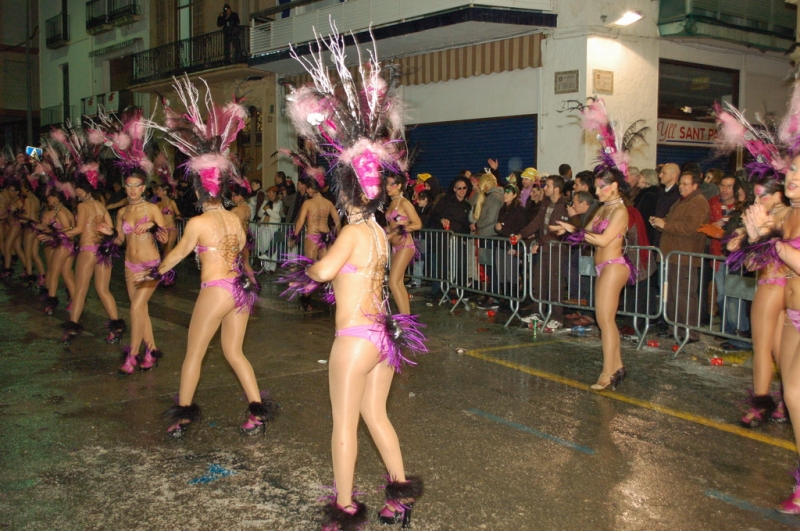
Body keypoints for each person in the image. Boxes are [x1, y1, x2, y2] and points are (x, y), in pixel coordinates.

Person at [280, 28, 424, 529]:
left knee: (345, 422)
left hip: (356, 338)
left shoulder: (354, 232)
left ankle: (344, 506)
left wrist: (309, 259)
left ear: (344, 193)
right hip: (384, 337)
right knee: (376, 416)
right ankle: (399, 493)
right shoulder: (382, 232)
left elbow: (319, 272)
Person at [141, 75, 276, 438]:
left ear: (200, 188)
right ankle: (256, 412)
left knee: (194, 354)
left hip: (216, 290)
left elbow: (178, 255)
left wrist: (153, 272)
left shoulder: (200, 222)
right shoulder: (234, 218)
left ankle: (182, 415)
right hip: (240, 291)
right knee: (235, 353)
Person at [552, 169, 633, 389]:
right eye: (596, 187)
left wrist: (574, 230)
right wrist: (568, 228)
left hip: (614, 267)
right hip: (602, 267)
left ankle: (608, 373)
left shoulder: (620, 211)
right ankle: (617, 367)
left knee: (604, 321)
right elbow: (585, 231)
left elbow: (604, 240)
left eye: (601, 187)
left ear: (614, 186)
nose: (597, 192)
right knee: (607, 320)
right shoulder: (604, 208)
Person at [726, 176, 788, 427]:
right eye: (757, 195)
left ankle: (761, 403)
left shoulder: (778, 218)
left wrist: (749, 236)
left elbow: (756, 262)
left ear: (778, 195)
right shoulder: (781, 216)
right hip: (781, 288)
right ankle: (786, 400)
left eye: (764, 194)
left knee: (763, 347)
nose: (759, 200)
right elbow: (749, 260)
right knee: (780, 350)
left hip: (773, 286)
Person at [650, 171, 710, 344]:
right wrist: (659, 222)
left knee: (684, 294)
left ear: (695, 185)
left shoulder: (698, 203)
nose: (681, 187)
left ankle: (689, 332)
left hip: (684, 256)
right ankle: (674, 327)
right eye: (681, 184)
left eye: (685, 184)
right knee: (672, 294)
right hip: (672, 255)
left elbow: (690, 228)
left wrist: (666, 225)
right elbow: (672, 221)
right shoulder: (682, 201)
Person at [515, 175, 571, 329]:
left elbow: (558, 232)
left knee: (554, 284)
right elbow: (537, 223)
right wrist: (521, 234)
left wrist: (538, 242)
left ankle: (557, 317)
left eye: (548, 186)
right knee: (539, 281)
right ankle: (538, 312)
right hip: (545, 249)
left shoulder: (564, 206)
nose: (545, 188)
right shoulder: (546, 204)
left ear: (557, 189)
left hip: (557, 250)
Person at [385, 173, 422, 315]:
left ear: (399, 186)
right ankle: (406, 319)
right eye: (387, 184)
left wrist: (398, 231)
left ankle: (405, 320)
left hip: (405, 246)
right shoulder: (392, 203)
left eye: (391, 184)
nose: (388, 187)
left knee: (393, 282)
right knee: (398, 283)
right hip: (396, 247)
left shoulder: (404, 203)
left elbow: (417, 224)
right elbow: (392, 225)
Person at [37, 187, 76, 316]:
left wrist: (52, 235)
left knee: (53, 273)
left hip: (64, 245)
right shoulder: (62, 211)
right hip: (68, 246)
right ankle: (76, 302)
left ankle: (51, 303)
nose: (48, 199)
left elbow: (67, 230)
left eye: (50, 196)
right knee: (67, 274)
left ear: (57, 197)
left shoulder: (61, 212)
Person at [651, 163, 681, 248]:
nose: (660, 175)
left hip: (670, 237)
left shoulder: (678, 194)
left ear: (674, 175)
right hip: (659, 235)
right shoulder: (661, 192)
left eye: (664, 173)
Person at [257, 186, 284, 273]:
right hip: (264, 227)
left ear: (275, 193)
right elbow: (260, 214)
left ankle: (273, 267)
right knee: (265, 246)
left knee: (272, 248)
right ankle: (266, 266)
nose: (269, 194)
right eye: (268, 192)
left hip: (273, 227)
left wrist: (268, 210)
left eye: (271, 192)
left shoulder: (279, 203)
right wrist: (263, 209)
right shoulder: (265, 202)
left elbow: (277, 216)